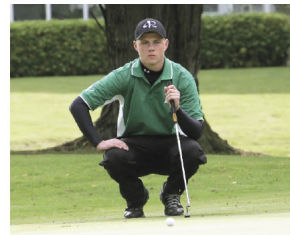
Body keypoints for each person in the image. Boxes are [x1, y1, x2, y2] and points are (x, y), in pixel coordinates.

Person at [70, 18, 207, 218]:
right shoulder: (124, 75)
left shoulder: (181, 76)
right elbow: (79, 105)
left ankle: (171, 194)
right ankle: (135, 200)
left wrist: (177, 109)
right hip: (134, 146)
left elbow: (196, 131)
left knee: (193, 152)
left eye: (156, 42)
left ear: (166, 44)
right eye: (145, 43)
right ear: (136, 46)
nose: (151, 48)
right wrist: (98, 142)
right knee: (113, 157)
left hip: (170, 144)